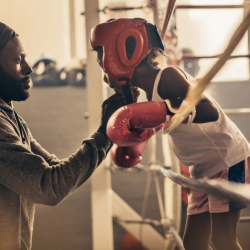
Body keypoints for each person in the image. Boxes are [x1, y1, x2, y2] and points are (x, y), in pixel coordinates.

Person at [90, 18, 250, 250]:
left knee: (222, 240)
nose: (104, 70)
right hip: (202, 171)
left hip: (226, 160)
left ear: (123, 56)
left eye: (103, 62)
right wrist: (135, 123)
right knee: (193, 243)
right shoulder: (150, 92)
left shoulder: (168, 77)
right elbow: (160, 120)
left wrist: (160, 111)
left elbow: (208, 111)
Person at [0, 22, 127, 250]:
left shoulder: (12, 118)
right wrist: (104, 134)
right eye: (19, 61)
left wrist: (108, 131)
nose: (29, 68)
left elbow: (56, 171)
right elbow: (49, 187)